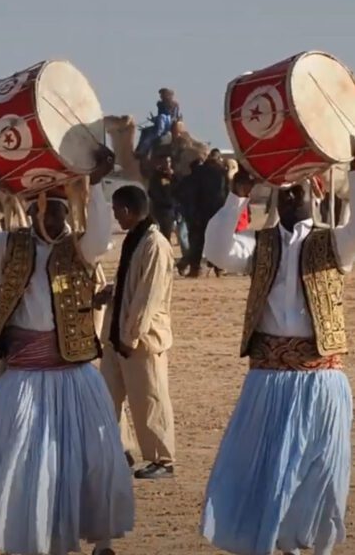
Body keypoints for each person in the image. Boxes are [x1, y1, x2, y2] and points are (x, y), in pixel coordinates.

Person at [0, 149, 133, 555]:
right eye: (49, 214)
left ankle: (99, 541)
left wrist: (96, 184)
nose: (56, 221)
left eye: (62, 214)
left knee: (93, 457)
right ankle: (33, 540)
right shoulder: (8, 247)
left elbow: (101, 237)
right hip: (25, 376)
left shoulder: (80, 249)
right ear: (33, 213)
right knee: (24, 461)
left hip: (74, 373)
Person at [200, 167, 355, 555]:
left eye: (295, 189)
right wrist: (237, 194)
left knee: (319, 473)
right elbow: (217, 250)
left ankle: (310, 544)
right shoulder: (260, 244)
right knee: (268, 471)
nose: (287, 196)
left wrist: (353, 171)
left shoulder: (335, 243)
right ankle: (277, 545)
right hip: (267, 379)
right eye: (281, 189)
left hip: (320, 378)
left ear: (315, 190)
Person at [101, 185, 176, 480]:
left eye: (116, 210)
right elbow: (131, 285)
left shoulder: (155, 245)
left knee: (149, 399)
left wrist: (131, 337)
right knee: (107, 397)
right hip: (117, 334)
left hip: (142, 339)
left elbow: (149, 296)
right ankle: (121, 450)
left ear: (127, 210)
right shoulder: (135, 239)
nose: (115, 216)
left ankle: (162, 458)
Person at [184, 149, 229, 277]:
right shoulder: (222, 172)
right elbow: (225, 193)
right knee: (217, 240)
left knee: (198, 241)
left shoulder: (199, 171)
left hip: (200, 211)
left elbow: (192, 193)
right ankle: (219, 268)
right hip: (217, 211)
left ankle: (195, 269)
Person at [135, 88, 182, 158]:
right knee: (144, 131)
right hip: (162, 122)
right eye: (161, 94)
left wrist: (157, 119)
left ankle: (142, 151)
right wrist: (154, 119)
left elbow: (170, 116)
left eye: (163, 94)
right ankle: (139, 150)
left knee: (151, 135)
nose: (161, 96)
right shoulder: (161, 104)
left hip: (166, 125)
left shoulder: (171, 105)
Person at [147, 155, 177, 241]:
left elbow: (178, 188)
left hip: (171, 210)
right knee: (160, 234)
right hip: (160, 210)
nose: (167, 164)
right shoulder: (156, 176)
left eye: (169, 161)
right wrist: (163, 201)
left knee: (167, 234)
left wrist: (173, 176)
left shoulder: (173, 176)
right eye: (165, 162)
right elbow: (152, 192)